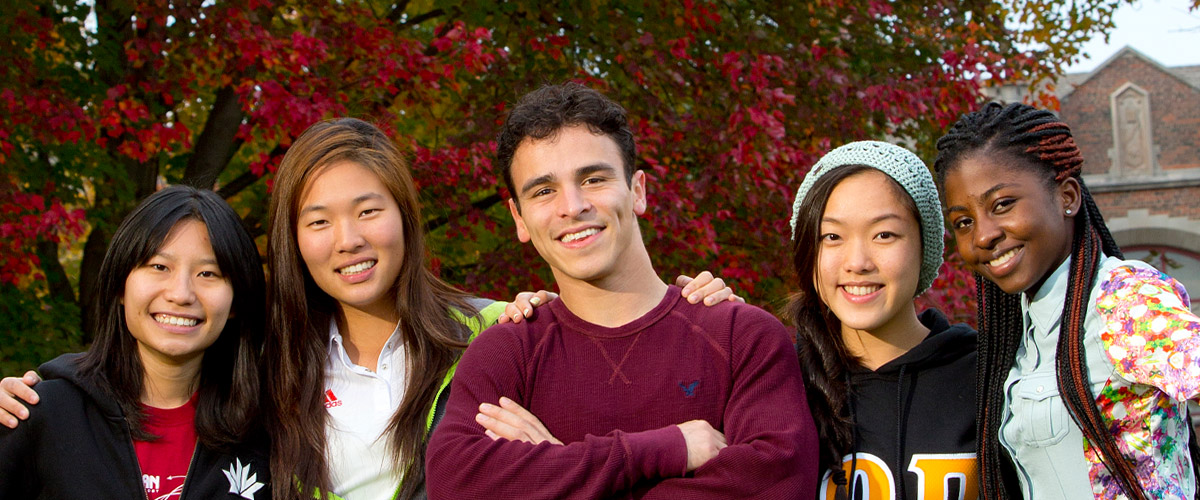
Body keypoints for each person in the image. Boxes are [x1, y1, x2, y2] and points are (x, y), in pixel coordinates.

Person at [424, 83, 819, 499]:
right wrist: (655, 451)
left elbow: (777, 484)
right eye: (543, 191)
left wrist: (555, 470)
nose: (572, 206)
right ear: (519, 219)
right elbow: (455, 484)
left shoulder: (741, 337)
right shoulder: (504, 353)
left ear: (639, 191)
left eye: (593, 178)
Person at [934, 101, 1200, 500]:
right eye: (964, 222)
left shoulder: (1124, 300)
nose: (983, 235)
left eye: (1002, 204)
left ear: (1068, 197)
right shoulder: (1018, 337)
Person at [0, 186, 272, 499]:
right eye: (159, 267)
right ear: (120, 285)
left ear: (236, 300)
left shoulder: (266, 429)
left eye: (208, 273)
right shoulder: (42, 415)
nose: (181, 294)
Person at [788, 141, 979, 500]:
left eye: (884, 235)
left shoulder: (986, 375)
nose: (857, 262)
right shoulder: (780, 380)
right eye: (832, 237)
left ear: (925, 245)